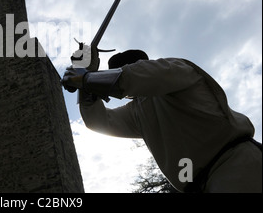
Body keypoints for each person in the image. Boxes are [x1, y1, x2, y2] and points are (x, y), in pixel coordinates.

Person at [62, 49, 262, 193]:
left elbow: (136, 77)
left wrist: (88, 79)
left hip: (237, 165)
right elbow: (99, 122)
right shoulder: (138, 112)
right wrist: (86, 86)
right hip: (200, 185)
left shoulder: (176, 70)